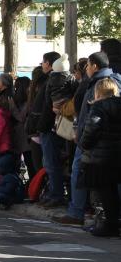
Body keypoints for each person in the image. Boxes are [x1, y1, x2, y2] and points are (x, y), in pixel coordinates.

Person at [53, 52, 121, 225]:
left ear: (95, 66)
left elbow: (93, 116)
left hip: (94, 142)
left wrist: (82, 137)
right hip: (106, 143)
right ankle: (106, 219)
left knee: (88, 177)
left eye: (88, 66)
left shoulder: (99, 84)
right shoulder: (110, 80)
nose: (87, 69)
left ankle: (80, 213)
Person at [78, 77, 121, 237]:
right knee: (113, 192)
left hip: (100, 157)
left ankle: (108, 224)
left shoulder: (98, 107)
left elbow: (91, 130)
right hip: (117, 156)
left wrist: (83, 144)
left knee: (104, 192)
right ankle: (114, 222)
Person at [36, 51, 67, 209]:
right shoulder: (53, 79)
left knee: (51, 162)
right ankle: (53, 193)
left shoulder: (55, 79)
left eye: (43, 61)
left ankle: (56, 195)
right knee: (49, 162)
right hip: (49, 126)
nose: (42, 64)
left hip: (50, 127)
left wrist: (40, 125)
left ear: (49, 63)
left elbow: (51, 107)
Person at [10, 76, 35, 179]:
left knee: (29, 163)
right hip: (22, 137)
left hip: (24, 137)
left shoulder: (27, 102)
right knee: (27, 163)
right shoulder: (21, 101)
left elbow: (21, 117)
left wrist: (12, 107)